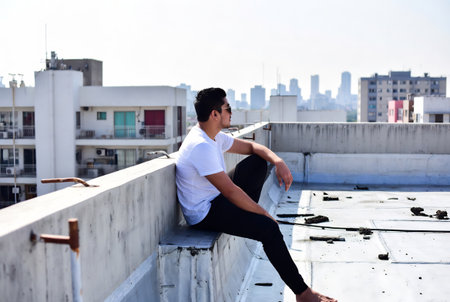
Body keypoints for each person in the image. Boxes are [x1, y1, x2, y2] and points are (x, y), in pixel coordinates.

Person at [175, 88, 337, 302]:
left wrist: (278, 162)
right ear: (214, 114)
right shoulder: (201, 146)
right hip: (203, 213)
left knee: (258, 162)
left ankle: (250, 216)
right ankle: (303, 293)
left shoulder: (213, 137)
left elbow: (253, 146)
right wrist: (263, 214)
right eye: (227, 109)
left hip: (216, 199)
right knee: (269, 229)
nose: (231, 113)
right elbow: (231, 192)